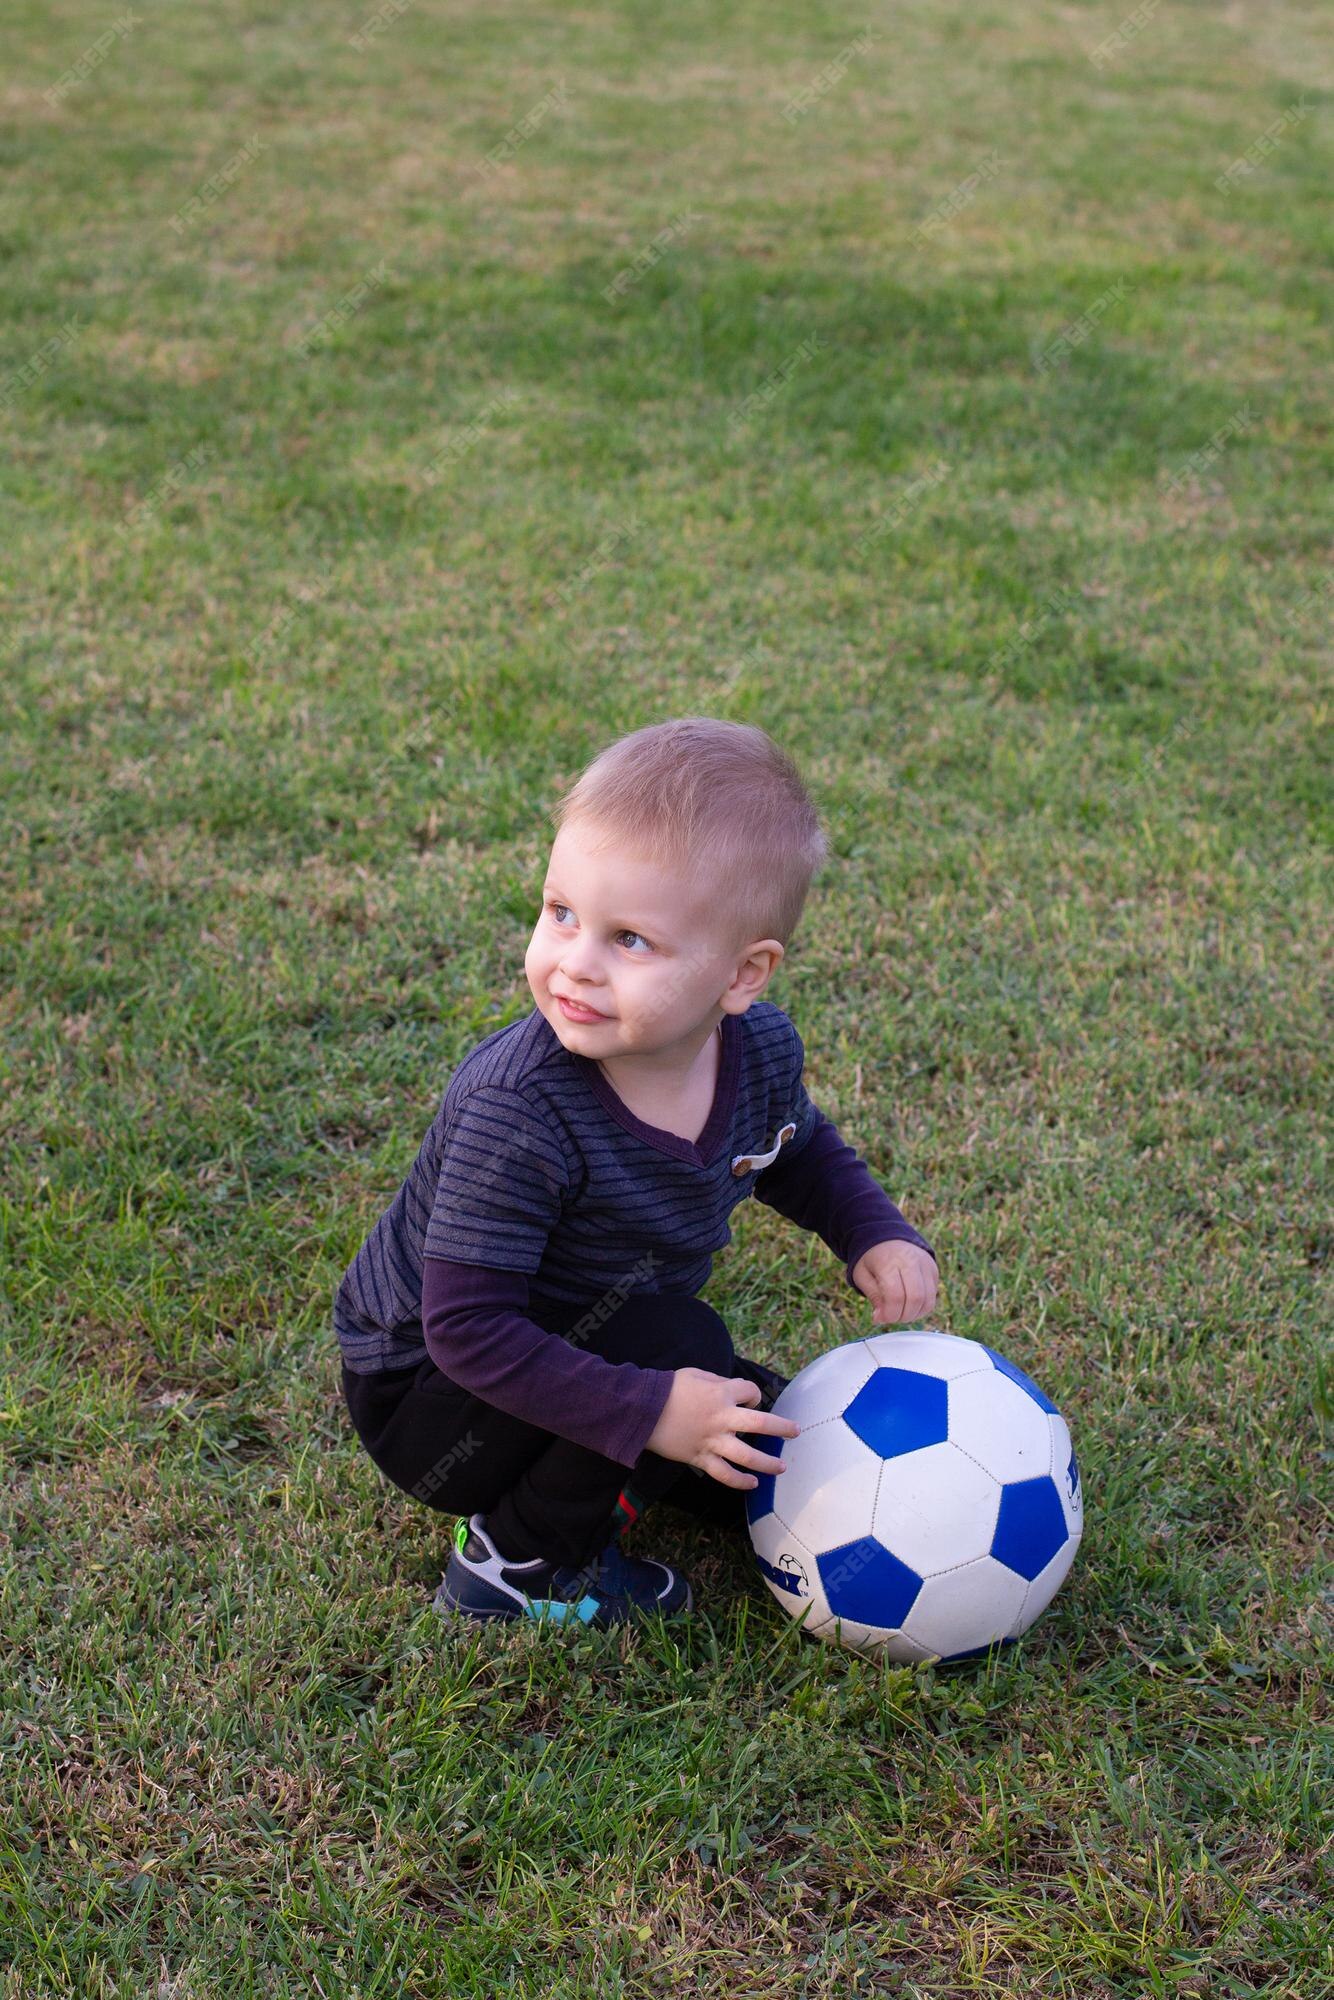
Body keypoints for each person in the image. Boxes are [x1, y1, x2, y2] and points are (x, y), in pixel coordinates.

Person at [334, 716, 939, 1627]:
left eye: (629, 941)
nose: (573, 962)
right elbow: (465, 1330)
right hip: (431, 1395)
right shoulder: (521, 1108)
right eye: (561, 912)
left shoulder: (759, 1051)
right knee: (677, 1356)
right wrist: (649, 1406)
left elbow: (796, 1146)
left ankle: (665, 1447)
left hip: (581, 1331)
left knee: (760, 1419)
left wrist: (874, 1230)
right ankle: (517, 1564)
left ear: (742, 975)